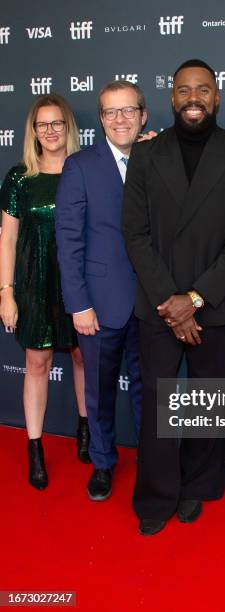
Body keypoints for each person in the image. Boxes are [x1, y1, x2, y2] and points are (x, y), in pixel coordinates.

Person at [122, 58, 225, 536]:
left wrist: (196, 298)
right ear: (172, 97)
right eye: (184, 90)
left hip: (214, 304)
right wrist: (172, 301)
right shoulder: (146, 155)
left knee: (206, 402)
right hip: (159, 305)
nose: (193, 98)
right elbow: (134, 234)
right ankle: (157, 495)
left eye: (203, 89)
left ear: (217, 97)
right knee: (158, 407)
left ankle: (198, 487)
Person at [56, 80, 154, 503]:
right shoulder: (81, 166)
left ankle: (153, 463)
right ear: (100, 119)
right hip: (99, 305)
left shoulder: (157, 159)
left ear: (143, 116)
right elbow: (69, 240)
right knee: (98, 392)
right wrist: (78, 304)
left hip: (152, 305)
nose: (120, 119)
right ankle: (102, 463)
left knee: (149, 391)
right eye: (111, 112)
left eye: (128, 110)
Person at [0, 93, 88, 491]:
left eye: (57, 123)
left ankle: (87, 432)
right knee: (36, 365)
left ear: (67, 127)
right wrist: (6, 293)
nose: (50, 131)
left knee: (84, 359)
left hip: (79, 284)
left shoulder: (85, 170)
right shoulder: (21, 178)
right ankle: (34, 447)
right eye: (42, 124)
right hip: (35, 284)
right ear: (33, 131)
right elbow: (7, 239)